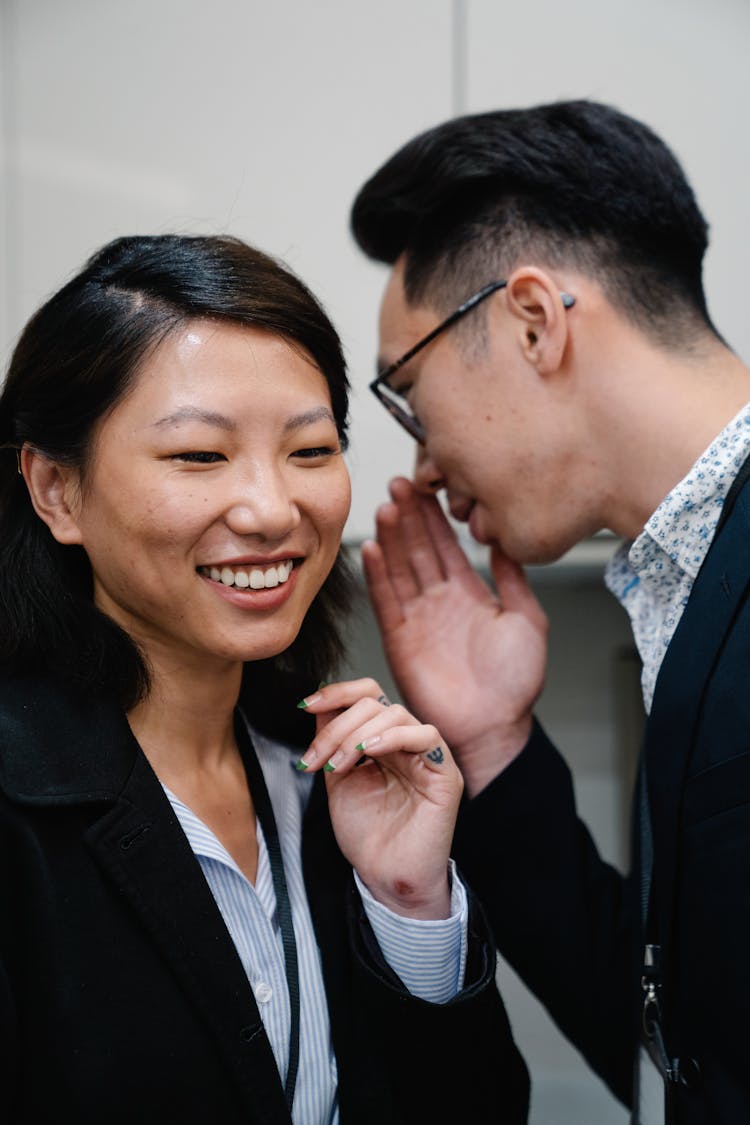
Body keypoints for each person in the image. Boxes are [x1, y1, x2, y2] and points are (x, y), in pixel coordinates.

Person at [0, 233, 530, 1124]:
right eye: (200, 456)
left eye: (311, 450)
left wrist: (408, 900)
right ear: (56, 489)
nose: (273, 509)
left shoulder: (329, 771)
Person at [349, 99, 750, 1124]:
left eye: (407, 395)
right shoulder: (682, 573)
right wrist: (493, 747)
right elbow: (696, 1040)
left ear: (533, 321)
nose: (423, 466)